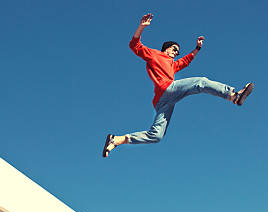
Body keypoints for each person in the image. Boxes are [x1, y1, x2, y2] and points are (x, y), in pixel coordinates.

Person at [102, 13, 254, 157]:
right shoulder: (155, 54)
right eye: (174, 49)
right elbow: (134, 45)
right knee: (200, 82)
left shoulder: (173, 65)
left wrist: (197, 48)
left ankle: (117, 140)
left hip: (162, 101)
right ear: (166, 48)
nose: (176, 53)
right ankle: (233, 95)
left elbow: (186, 61)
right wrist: (142, 26)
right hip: (167, 88)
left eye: (178, 52)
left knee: (156, 135)